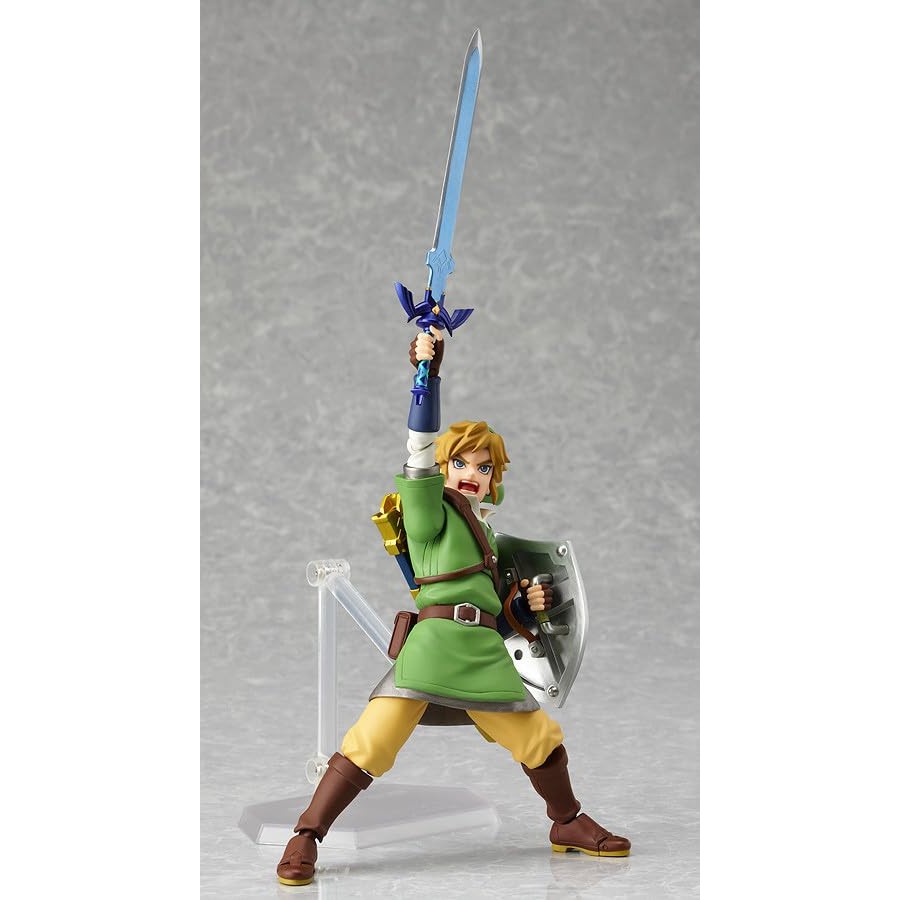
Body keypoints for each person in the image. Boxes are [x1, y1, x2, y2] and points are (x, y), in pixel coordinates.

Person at [277, 329, 630, 886]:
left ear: (494, 482)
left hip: (483, 653)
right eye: (461, 463)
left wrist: (523, 607)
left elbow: (496, 609)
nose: (472, 474)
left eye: (484, 468)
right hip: (433, 648)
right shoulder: (431, 515)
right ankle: (306, 835)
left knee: (538, 738)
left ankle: (566, 821)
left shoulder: (487, 536)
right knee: (372, 741)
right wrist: (428, 379)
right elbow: (418, 450)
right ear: (443, 471)